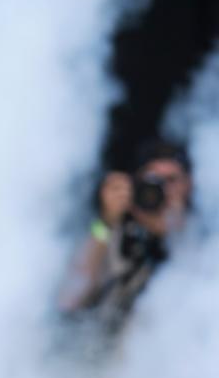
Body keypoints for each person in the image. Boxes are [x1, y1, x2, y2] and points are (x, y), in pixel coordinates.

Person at [59, 140, 193, 341]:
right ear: (136, 183)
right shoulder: (113, 232)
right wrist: (106, 222)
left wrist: (175, 231)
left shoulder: (203, 240)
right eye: (153, 180)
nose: (162, 189)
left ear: (188, 185)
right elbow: (70, 297)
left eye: (171, 180)